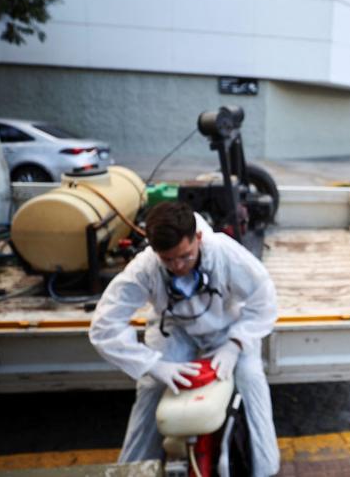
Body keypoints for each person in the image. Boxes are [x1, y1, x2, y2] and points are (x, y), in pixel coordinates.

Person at [89, 201, 280, 475]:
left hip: (227, 329)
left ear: (198, 239)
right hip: (175, 330)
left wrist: (236, 344)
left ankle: (264, 469)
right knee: (150, 388)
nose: (178, 266)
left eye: (185, 256)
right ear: (155, 252)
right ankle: (131, 469)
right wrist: (153, 365)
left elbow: (264, 298)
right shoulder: (145, 267)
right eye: (168, 260)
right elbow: (104, 326)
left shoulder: (225, 253)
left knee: (251, 377)